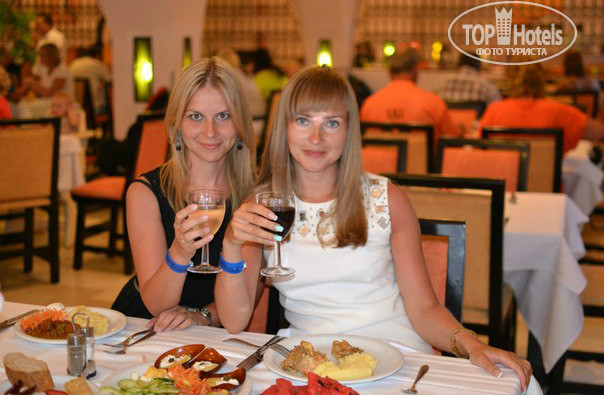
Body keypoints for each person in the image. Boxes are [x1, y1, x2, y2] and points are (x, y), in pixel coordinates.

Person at [214, 66, 533, 392]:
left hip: (395, 357)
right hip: (311, 364)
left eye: (331, 123)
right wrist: (231, 244)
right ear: (284, 127)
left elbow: (424, 308)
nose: (316, 138)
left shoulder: (388, 199)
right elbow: (235, 320)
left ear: (349, 130)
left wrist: (472, 345)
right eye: (303, 121)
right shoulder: (262, 205)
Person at [111, 58, 257, 332]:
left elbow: (245, 304)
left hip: (215, 331)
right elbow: (156, 304)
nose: (210, 131)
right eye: (195, 116)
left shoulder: (254, 197)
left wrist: (201, 316)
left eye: (223, 116)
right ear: (177, 124)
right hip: (147, 326)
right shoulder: (144, 193)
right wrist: (179, 252)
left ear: (239, 124)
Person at [479, 63, 604, 153]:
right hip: (549, 182)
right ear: (541, 79)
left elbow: (480, 147)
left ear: (509, 80)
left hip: (505, 181)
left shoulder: (494, 111)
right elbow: (599, 132)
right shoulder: (558, 111)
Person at [360, 47, 460, 140]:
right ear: (416, 70)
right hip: (421, 155)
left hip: (378, 155)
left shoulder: (369, 105)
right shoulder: (434, 103)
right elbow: (451, 140)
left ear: (389, 72)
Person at [437, 54, 501, 104]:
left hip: (449, 117)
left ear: (458, 64)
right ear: (479, 66)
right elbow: (497, 108)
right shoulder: (487, 87)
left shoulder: (442, 84)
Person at [69, 45, 112, 115]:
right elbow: (109, 80)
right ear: (98, 55)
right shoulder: (97, 64)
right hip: (95, 107)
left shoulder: (74, 63)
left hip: (76, 105)